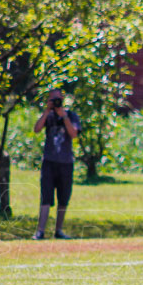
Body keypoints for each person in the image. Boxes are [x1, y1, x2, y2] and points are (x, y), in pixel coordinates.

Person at [33, 88, 81, 240]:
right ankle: (40, 231)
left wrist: (64, 117)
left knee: (63, 197)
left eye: (58, 99)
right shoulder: (48, 115)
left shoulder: (71, 115)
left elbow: (74, 134)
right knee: (46, 196)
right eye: (53, 99)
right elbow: (37, 129)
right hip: (49, 161)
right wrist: (47, 111)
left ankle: (58, 230)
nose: (56, 102)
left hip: (66, 162)